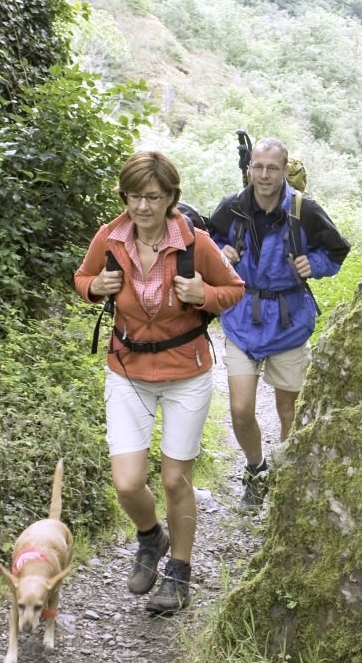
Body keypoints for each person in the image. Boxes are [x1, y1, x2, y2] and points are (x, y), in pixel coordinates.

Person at [73, 151, 244, 614]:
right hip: (127, 369)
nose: (142, 207)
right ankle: (152, 537)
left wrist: (203, 294)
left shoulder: (194, 242)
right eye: (134, 196)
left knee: (174, 480)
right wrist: (96, 288)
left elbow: (234, 288)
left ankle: (179, 573)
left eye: (153, 197)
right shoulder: (110, 238)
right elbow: (82, 277)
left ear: (171, 197)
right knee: (128, 484)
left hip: (186, 372)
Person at [207, 138, 350, 508]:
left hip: (288, 321)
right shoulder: (233, 208)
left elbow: (336, 250)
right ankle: (257, 470)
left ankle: (285, 479)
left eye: (272, 168)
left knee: (289, 410)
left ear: (285, 169)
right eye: (258, 167)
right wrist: (221, 251)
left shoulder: (305, 211)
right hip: (242, 316)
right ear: (249, 168)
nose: (265, 175)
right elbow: (206, 238)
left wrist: (313, 266)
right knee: (240, 409)